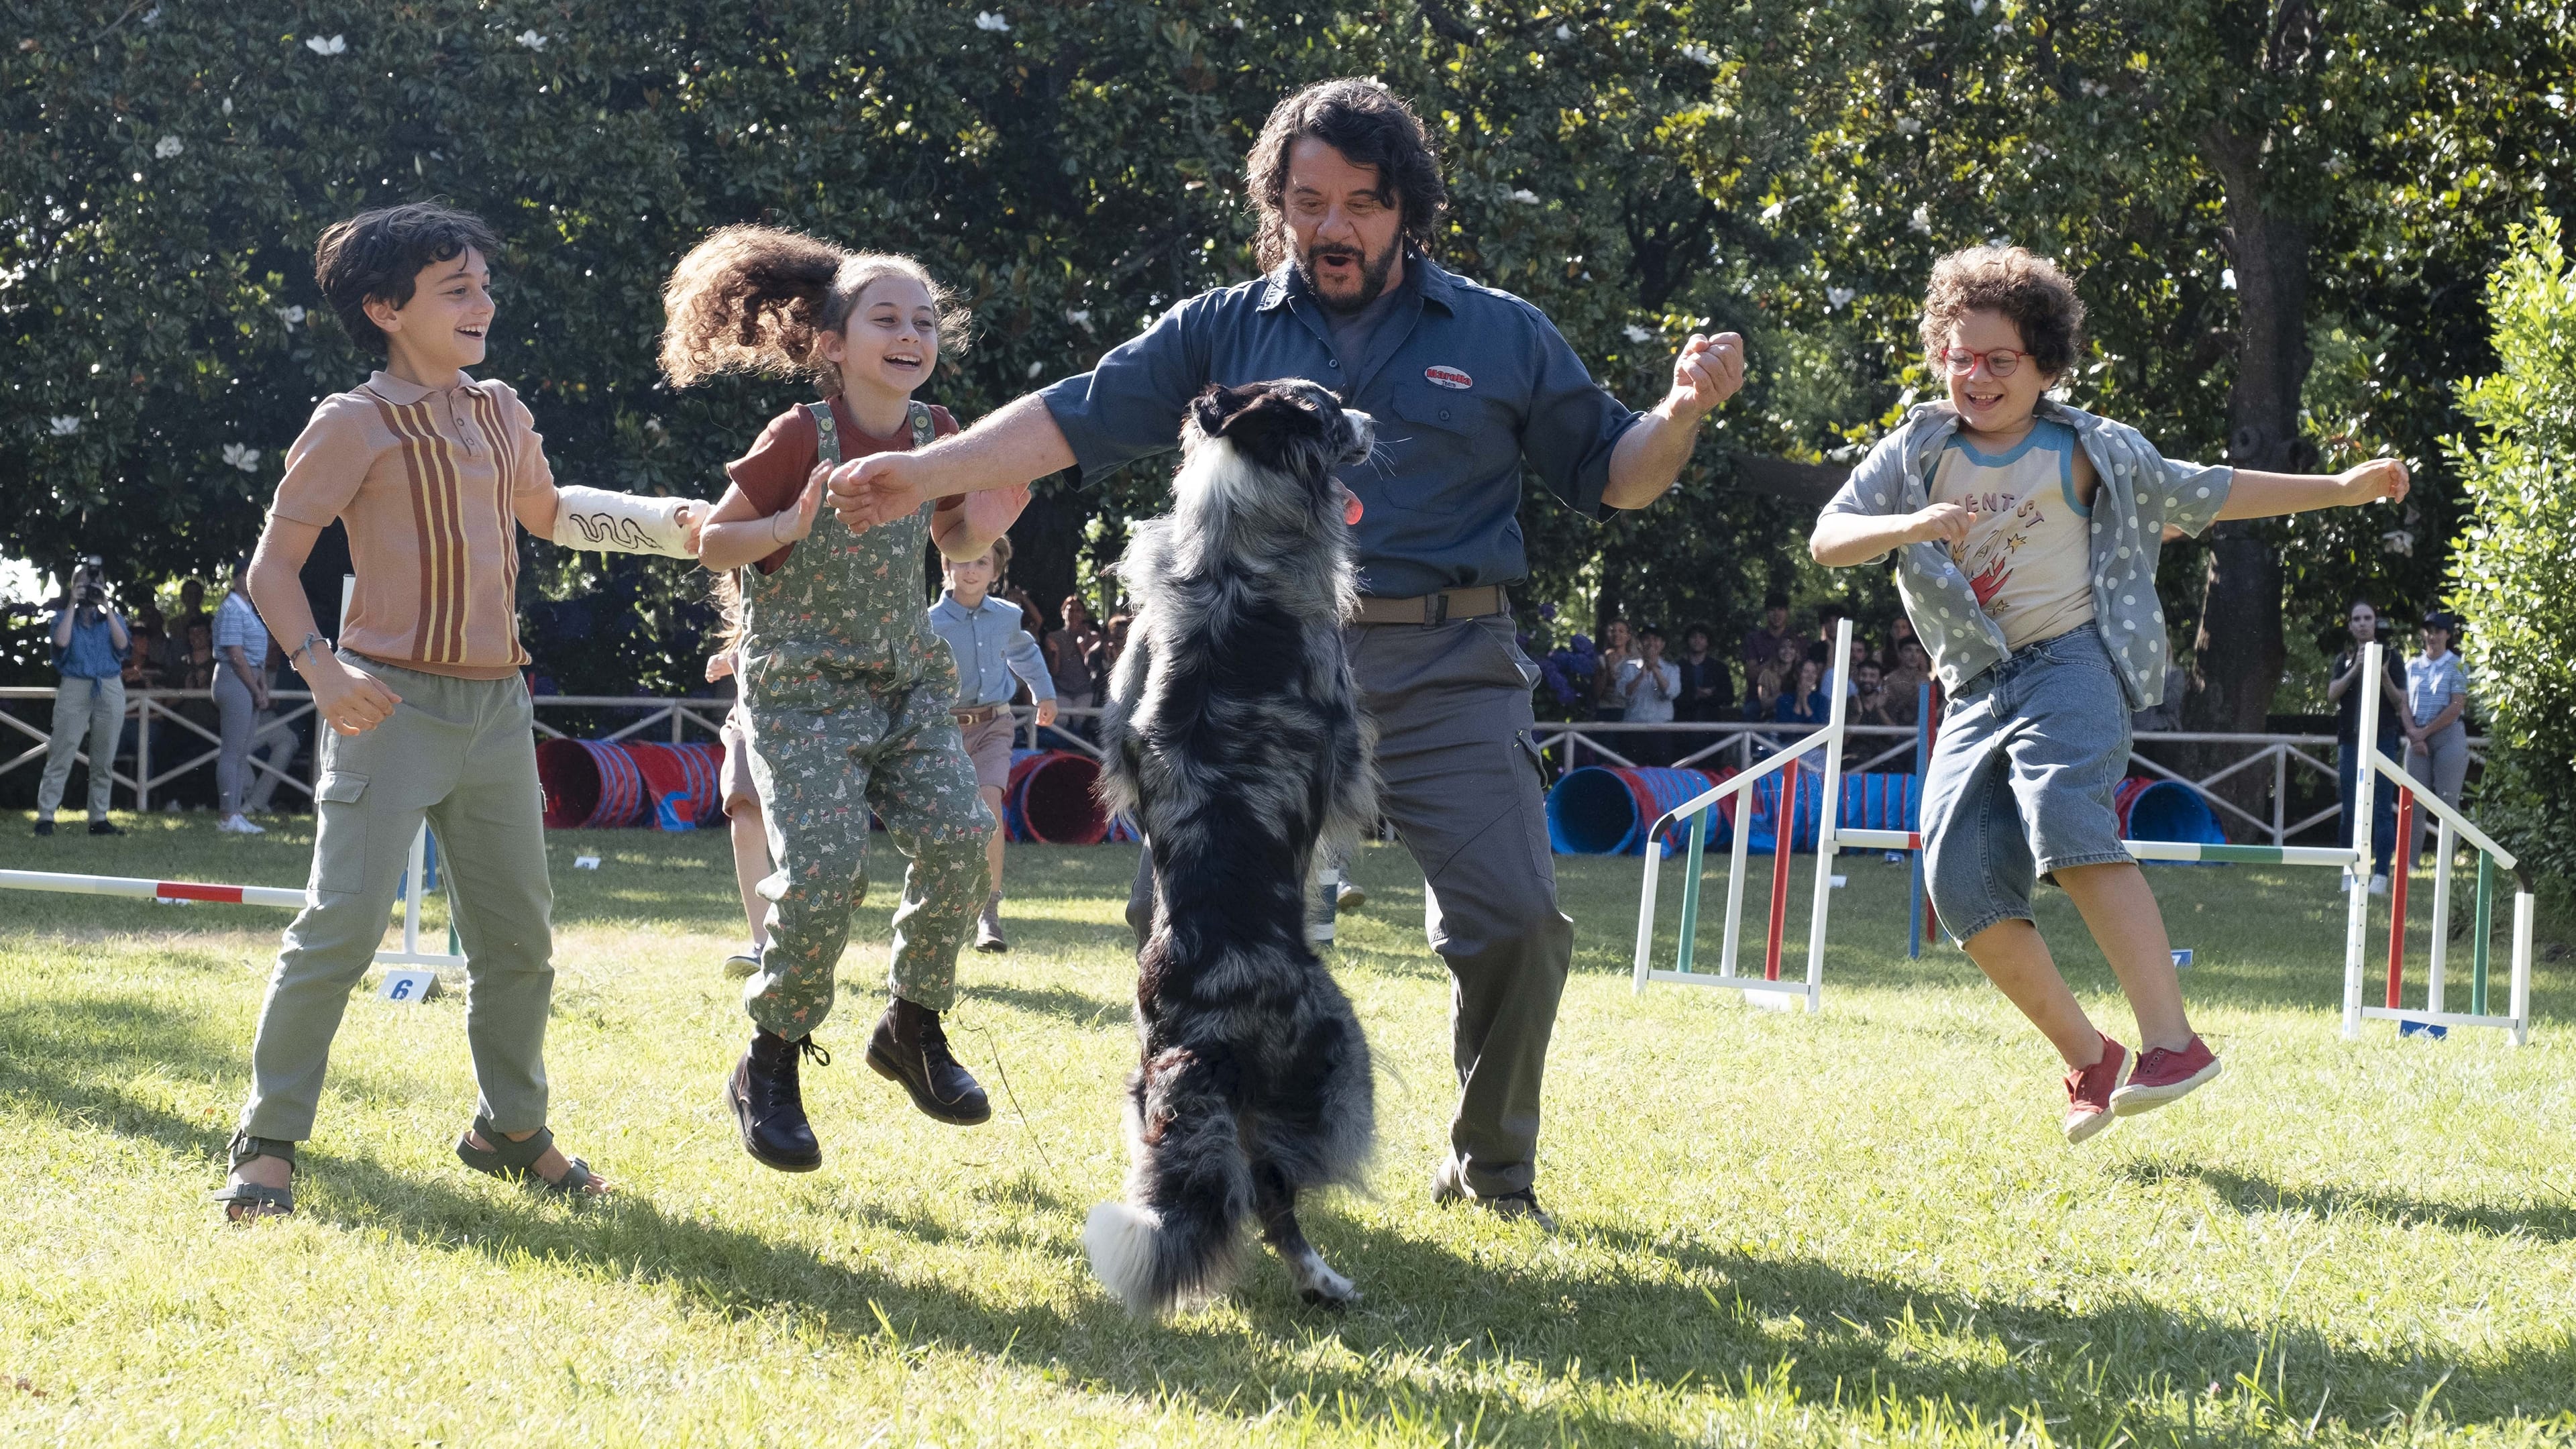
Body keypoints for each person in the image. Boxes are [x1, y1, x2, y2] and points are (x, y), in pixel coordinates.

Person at [822, 78, 1746, 1229]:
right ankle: (1196, 1156)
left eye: (1361, 203)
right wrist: (925, 472)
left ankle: (1492, 1170)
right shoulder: (1221, 326)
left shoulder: (1502, 333)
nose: (1333, 228)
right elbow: (1073, 414)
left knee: (1517, 923)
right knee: (1175, 926)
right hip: (1248, 672)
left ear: (1407, 207)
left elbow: (1620, 476)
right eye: (1309, 203)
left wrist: (1682, 411)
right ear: (1278, 205)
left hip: (1443, 662)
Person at [1808, 244, 2409, 1144]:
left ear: (2046, 366)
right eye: (1961, 357)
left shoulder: (2090, 450)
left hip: (2072, 664)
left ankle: (2175, 1043)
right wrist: (1911, 524)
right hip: (1975, 685)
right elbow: (1829, 540)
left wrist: (2340, 489)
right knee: (1957, 879)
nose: (1978, 377)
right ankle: (2092, 1057)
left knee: (2065, 814)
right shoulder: (1916, 452)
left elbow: (2209, 491)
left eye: (2001, 360)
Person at [215, 203, 704, 1220]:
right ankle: (266, 1144)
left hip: (498, 712)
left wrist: (672, 526)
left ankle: (511, 1132)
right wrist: (319, 669)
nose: (483, 303)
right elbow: (272, 568)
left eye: (483, 285)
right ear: (385, 309)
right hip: (387, 709)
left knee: (520, 942)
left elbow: (550, 513)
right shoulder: (351, 423)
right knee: (340, 931)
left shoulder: (501, 410)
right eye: (456, 290)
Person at [665, 224, 1027, 1173]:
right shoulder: (801, 435)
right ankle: (770, 1062)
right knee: (826, 873)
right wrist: (786, 524)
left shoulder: (939, 432)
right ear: (833, 343)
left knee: (961, 840)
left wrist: (985, 518)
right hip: (802, 695)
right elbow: (716, 543)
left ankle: (912, 1026)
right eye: (887, 320)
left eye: (925, 322)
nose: (911, 335)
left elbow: (953, 541)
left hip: (904, 683)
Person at [929, 532, 1058, 953]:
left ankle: (989, 913)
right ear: (947, 566)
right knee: (945, 822)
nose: (971, 570)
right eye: (963, 561)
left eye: (982, 562)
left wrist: (1044, 694)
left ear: (995, 572)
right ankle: (941, 908)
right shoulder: (928, 623)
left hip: (994, 726)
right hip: (943, 730)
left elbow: (1026, 654)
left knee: (989, 808)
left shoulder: (1007, 616)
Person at [34, 558, 130, 837]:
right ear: (74, 586)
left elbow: (123, 645)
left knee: (104, 757)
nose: (91, 589)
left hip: (109, 685)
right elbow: (62, 642)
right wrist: (72, 605)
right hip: (75, 686)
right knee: (61, 751)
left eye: (96, 584)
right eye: (85, 584)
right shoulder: (62, 618)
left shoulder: (112, 618)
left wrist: (106, 606)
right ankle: (46, 816)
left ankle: (99, 818)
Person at [704, 645, 773, 981]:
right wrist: (734, 653)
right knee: (744, 823)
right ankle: (764, 947)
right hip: (749, 721)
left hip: (810, 722)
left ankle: (807, 945)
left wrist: (732, 659)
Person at [2326, 598, 2404, 894]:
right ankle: (2349, 871)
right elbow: (2332, 695)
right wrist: (2356, 668)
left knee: (2382, 809)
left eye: (2367, 618)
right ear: (2350, 626)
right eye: (2356, 619)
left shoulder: (2392, 657)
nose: (2362, 624)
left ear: (2375, 623)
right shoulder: (2344, 658)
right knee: (2349, 809)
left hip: (2383, 740)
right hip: (2350, 741)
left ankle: (2381, 875)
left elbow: (2400, 702)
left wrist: (2383, 674)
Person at [213, 557, 292, 835]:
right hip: (235, 680)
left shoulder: (247, 609)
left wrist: (261, 687)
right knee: (232, 751)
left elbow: (255, 657)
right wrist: (257, 688)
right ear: (236, 578)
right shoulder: (232, 609)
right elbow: (236, 655)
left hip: (247, 680)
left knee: (241, 752)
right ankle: (228, 816)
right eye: (245, 575)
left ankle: (235, 813)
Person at [2402, 611, 2471, 869]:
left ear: (2448, 635)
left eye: (2438, 631)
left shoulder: (2458, 665)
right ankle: (2410, 864)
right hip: (2416, 738)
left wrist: (2425, 732)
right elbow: (2403, 703)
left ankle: (2446, 865)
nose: (2433, 636)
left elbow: (2456, 706)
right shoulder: (2411, 666)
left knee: (2447, 801)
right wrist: (2414, 733)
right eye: (2429, 631)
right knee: (2412, 803)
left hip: (2448, 737)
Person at [1618, 626, 1680, 765]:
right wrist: (1642, 674)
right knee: (1632, 772)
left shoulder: (1672, 669)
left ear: (1662, 644)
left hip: (1661, 731)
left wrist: (1655, 669)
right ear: (1640, 643)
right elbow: (1623, 693)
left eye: (1655, 639)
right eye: (1647, 639)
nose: (1651, 643)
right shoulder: (1628, 667)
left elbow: (1671, 692)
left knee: (1660, 772)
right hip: (1633, 730)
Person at [1674, 621, 1734, 764]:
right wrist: (1694, 696)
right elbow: (1673, 697)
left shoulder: (1719, 668)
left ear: (1708, 642)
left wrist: (1711, 695)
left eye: (1702, 637)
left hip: (1711, 728)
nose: (1697, 640)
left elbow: (1729, 697)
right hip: (1683, 729)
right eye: (1694, 637)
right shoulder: (1677, 667)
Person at [1046, 593, 1103, 735]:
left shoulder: (1094, 637)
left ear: (1084, 614)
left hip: (1085, 689)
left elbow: (1094, 669)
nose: (1074, 614)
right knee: (1060, 721)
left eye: (1078, 610)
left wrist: (1082, 648)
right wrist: (1055, 653)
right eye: (1070, 610)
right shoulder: (1053, 637)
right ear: (1063, 613)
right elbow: (1054, 671)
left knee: (1081, 721)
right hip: (1061, 689)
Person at [1591, 617, 1634, 723]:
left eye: (1621, 631)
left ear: (1628, 636)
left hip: (1628, 711)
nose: (1616, 634)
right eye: (1613, 631)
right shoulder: (1602, 660)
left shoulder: (1634, 661)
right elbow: (1597, 693)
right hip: (1605, 710)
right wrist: (1607, 667)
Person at [1750, 634, 1803, 720]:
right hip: (1773, 718)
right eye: (1783, 647)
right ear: (1777, 651)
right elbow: (1764, 704)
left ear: (1796, 652)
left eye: (1791, 647)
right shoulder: (1767, 674)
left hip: (1797, 718)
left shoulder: (1801, 674)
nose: (1787, 651)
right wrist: (1783, 696)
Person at [1743, 592, 1793, 673]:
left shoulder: (1797, 639)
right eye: (1772, 610)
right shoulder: (1754, 639)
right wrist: (1775, 661)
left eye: (1781, 609)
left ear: (1787, 612)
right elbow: (1751, 673)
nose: (1776, 614)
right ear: (1766, 612)